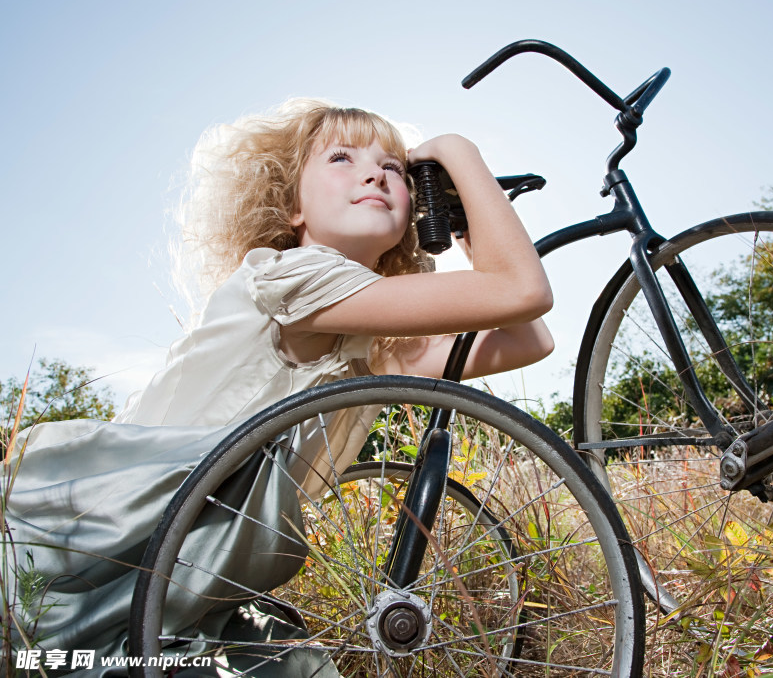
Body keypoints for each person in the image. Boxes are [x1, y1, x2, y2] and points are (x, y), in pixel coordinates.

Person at [2, 99, 553, 675]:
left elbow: (528, 336)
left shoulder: (371, 341)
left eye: (395, 168)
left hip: (191, 573)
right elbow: (522, 290)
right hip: (107, 543)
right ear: (293, 208)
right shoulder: (289, 279)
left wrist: (459, 220)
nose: (374, 173)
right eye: (342, 157)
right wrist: (460, 152)